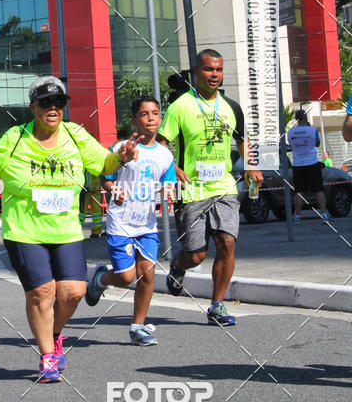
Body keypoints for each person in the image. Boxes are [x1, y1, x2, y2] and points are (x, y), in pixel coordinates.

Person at [0, 76, 141, 383]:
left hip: (66, 228)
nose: (53, 108)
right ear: (33, 107)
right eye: (46, 103)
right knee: (42, 292)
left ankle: (54, 333)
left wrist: (120, 157)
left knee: (73, 292)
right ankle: (47, 357)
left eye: (59, 103)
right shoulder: (16, 137)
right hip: (24, 229)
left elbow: (103, 163)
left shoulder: (76, 135)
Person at [159, 50, 263, 327]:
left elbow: (242, 140)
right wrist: (172, 169)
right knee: (196, 254)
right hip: (191, 189)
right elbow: (161, 143)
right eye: (208, 70)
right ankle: (178, 267)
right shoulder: (180, 106)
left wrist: (252, 165)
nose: (214, 74)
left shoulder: (231, 107)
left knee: (227, 243)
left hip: (224, 186)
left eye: (218, 69)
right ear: (196, 72)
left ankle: (217, 305)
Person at [86, 97, 176, 345]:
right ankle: (101, 279)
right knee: (126, 277)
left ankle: (138, 327)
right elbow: (105, 178)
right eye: (144, 114)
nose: (151, 118)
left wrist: (169, 192)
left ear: (160, 119)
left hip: (146, 224)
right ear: (135, 119)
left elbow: (169, 186)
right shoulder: (121, 148)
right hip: (121, 223)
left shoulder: (165, 155)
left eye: (155, 113)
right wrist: (115, 190)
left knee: (147, 275)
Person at [287, 109, 328, 222]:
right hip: (312, 162)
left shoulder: (291, 132)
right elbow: (317, 143)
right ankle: (324, 214)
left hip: (298, 164)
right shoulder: (312, 130)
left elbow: (291, 145)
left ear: (296, 119)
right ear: (305, 117)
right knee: (319, 189)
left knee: (299, 191)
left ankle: (297, 216)